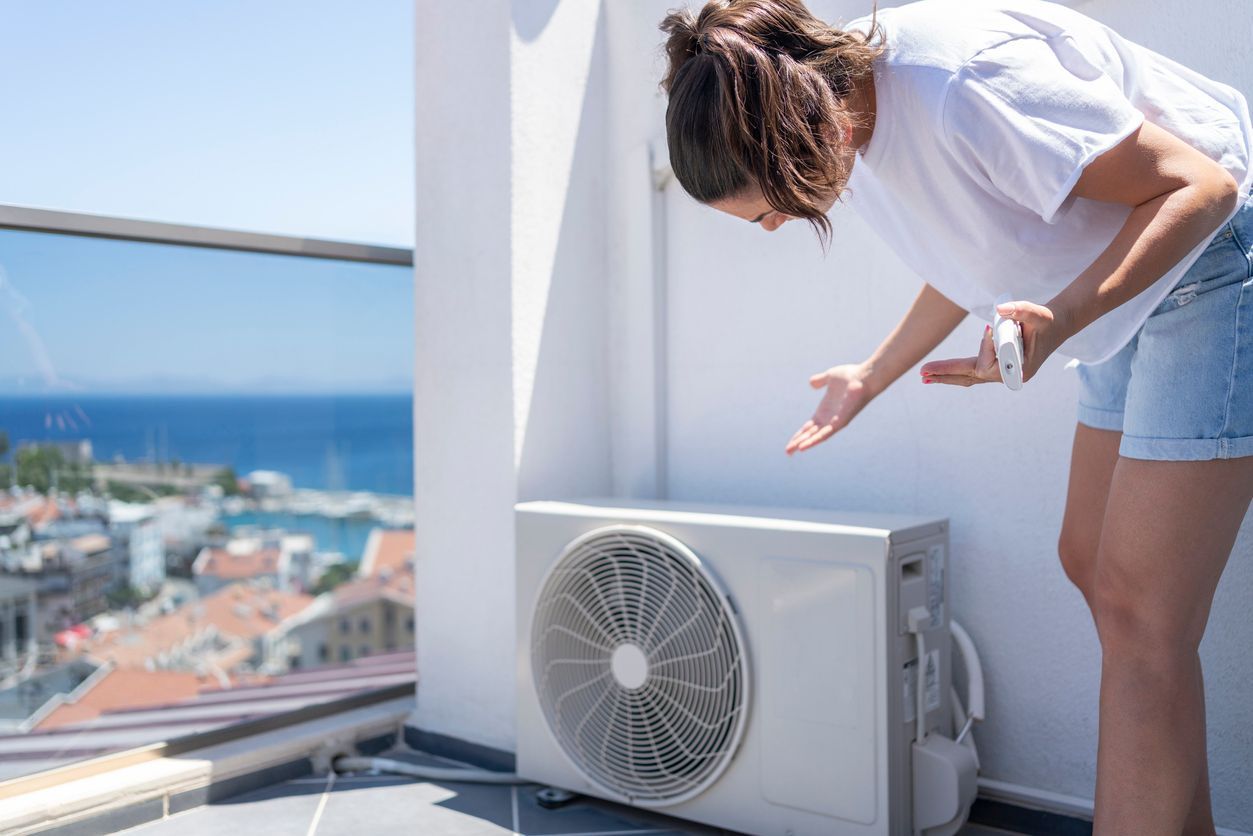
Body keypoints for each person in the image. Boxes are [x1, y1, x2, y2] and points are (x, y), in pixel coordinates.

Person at [659, 1, 1252, 833]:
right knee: (1091, 562)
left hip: (1211, 256)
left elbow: (1202, 185)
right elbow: (970, 241)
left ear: (803, 135)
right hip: (1131, 285)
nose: (774, 228)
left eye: (769, 211)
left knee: (1141, 609)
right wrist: (871, 376)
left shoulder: (962, 84)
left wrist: (1061, 318)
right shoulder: (842, 112)